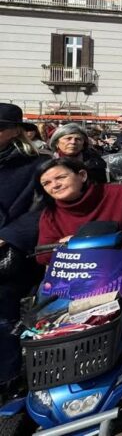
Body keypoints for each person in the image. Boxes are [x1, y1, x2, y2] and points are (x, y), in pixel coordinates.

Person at [0, 104, 48, 397]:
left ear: (17, 131)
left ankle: (10, 378)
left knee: (6, 319)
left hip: (10, 255)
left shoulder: (37, 165)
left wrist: (8, 235)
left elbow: (43, 208)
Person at [35, 159, 122, 266]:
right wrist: (62, 245)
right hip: (79, 272)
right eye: (46, 183)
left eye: (61, 177)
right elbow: (42, 256)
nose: (55, 185)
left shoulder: (119, 193)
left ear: (82, 175)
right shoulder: (50, 214)